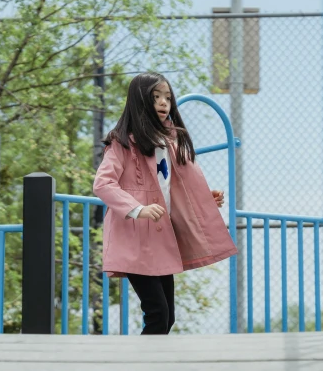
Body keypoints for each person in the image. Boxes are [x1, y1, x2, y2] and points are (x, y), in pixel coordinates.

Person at [93, 72, 238, 335]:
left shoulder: (169, 143)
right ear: (139, 101)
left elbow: (172, 188)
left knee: (167, 317)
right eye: (156, 97)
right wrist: (138, 208)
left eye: (167, 98)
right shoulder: (122, 143)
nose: (163, 103)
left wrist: (206, 199)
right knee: (157, 313)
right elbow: (103, 184)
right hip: (135, 242)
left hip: (160, 242)